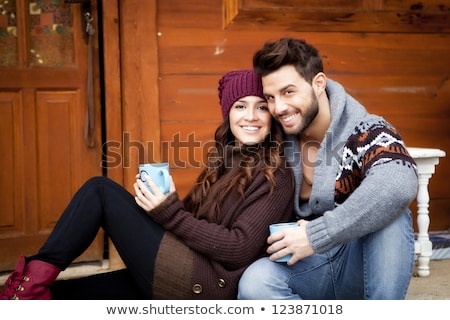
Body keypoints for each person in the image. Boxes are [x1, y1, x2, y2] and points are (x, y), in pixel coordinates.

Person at [0, 69, 295, 300]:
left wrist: (169, 213)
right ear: (228, 114)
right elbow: (190, 220)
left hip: (205, 285)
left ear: (272, 116)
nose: (251, 117)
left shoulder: (276, 174)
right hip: (186, 265)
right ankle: (28, 290)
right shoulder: (225, 162)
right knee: (67, 295)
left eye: (261, 108)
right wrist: (159, 204)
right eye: (240, 106)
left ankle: (28, 284)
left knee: (100, 191)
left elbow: (240, 247)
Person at [237, 37, 418, 300]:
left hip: (361, 265)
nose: (279, 107)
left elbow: (398, 183)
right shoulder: (273, 138)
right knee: (255, 283)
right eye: (270, 97)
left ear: (318, 83)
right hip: (307, 267)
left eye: (289, 92)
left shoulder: (367, 130)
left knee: (391, 213)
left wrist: (317, 234)